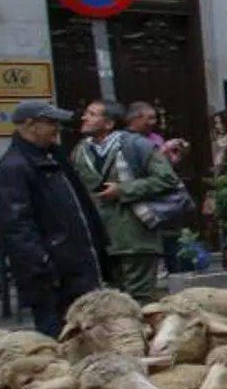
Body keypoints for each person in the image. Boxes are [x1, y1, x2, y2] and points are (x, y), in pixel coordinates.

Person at [0, 101, 105, 336]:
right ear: (30, 125)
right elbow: (16, 227)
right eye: (51, 123)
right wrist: (43, 264)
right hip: (52, 277)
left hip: (77, 267)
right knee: (58, 339)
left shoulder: (54, 158)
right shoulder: (14, 166)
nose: (57, 128)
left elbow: (79, 208)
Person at [70, 99, 179, 304]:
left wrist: (123, 190)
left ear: (109, 123)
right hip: (101, 238)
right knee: (112, 302)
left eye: (92, 114)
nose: (84, 118)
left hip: (136, 235)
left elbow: (167, 179)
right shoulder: (79, 151)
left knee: (141, 300)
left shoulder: (136, 145)